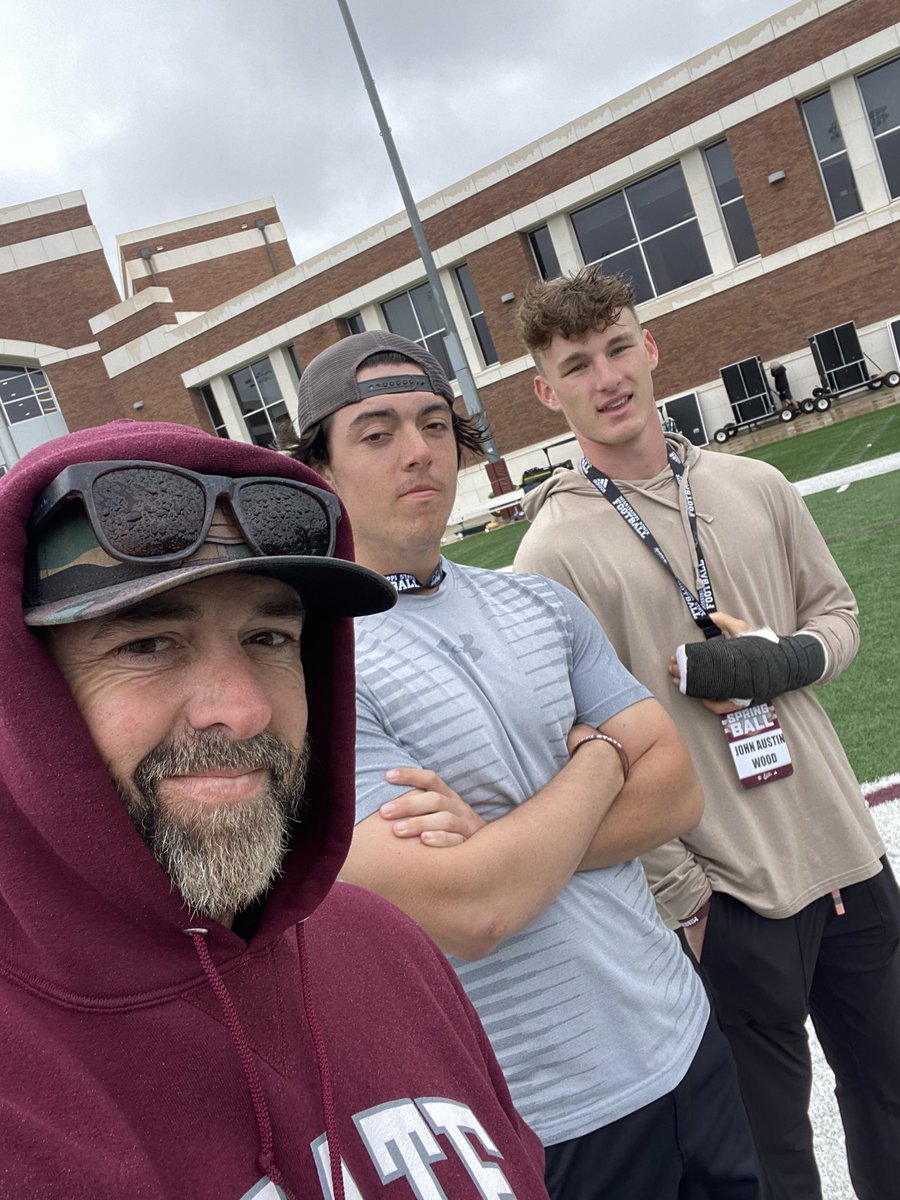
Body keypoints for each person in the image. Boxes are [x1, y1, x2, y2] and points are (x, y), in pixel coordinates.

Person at [0, 419, 551, 1200]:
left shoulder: (385, 945)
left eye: (268, 637)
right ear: (24, 694)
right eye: (148, 643)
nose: (244, 711)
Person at [287, 330, 762, 1199]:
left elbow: (678, 791)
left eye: (434, 423)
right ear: (320, 470)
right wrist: (602, 757)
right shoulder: (310, 667)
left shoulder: (536, 601)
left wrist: (502, 844)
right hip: (544, 1113)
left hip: (686, 1040)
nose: (420, 451)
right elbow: (471, 908)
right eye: (377, 431)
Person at [513, 263, 900, 1200]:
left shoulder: (754, 483)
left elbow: (839, 614)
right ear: (546, 390)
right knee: (774, 1158)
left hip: (845, 855)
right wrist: (686, 898)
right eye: (577, 364)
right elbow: (576, 749)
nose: (606, 379)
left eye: (616, 349)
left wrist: (780, 658)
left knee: (892, 1098)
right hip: (726, 892)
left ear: (648, 349)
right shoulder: (552, 551)